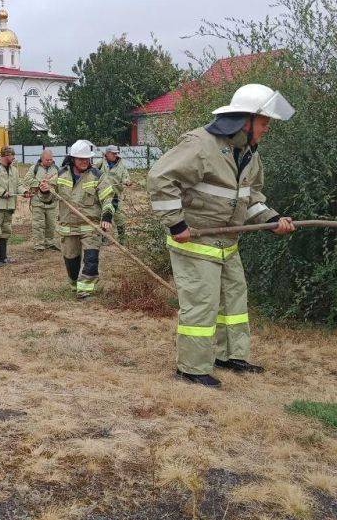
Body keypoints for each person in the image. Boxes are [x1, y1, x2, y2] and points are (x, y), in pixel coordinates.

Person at [147, 83, 296, 388]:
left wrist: (272, 219)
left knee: (233, 302)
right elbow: (160, 178)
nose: (267, 129)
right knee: (202, 305)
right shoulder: (201, 145)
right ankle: (191, 367)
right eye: (265, 122)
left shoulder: (249, 154)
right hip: (195, 242)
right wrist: (177, 226)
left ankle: (229, 356)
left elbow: (250, 196)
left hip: (228, 243)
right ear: (247, 120)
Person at [47, 140, 115, 299]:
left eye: (87, 159)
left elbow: (108, 198)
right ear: (72, 159)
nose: (85, 162)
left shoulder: (97, 176)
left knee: (91, 260)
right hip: (68, 227)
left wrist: (106, 216)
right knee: (71, 260)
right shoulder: (61, 174)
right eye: (81, 159)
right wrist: (44, 190)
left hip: (90, 227)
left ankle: (84, 291)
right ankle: (74, 284)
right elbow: (48, 196)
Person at [21, 149, 59, 251]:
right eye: (47, 160)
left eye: (51, 159)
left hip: (51, 202)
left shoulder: (56, 169)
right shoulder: (34, 168)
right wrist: (39, 183)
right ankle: (39, 245)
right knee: (38, 224)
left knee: (51, 224)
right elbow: (27, 180)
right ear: (41, 159)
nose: (49, 161)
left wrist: (50, 183)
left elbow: (60, 181)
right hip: (37, 201)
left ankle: (49, 243)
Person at [94, 145, 132, 244]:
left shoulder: (121, 165)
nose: (115, 155)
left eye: (116, 153)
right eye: (113, 153)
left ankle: (122, 239)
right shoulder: (101, 163)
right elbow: (92, 172)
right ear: (107, 154)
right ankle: (104, 238)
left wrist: (127, 181)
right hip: (103, 195)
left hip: (116, 195)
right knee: (103, 215)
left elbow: (125, 176)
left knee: (120, 217)